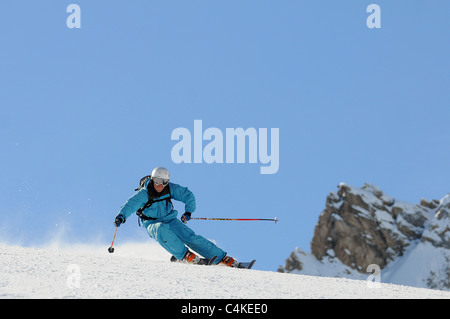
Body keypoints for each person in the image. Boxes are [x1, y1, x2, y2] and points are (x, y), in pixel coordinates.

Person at [114, 166, 238, 267]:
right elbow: (129, 205)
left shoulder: (169, 189)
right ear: (152, 180)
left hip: (170, 219)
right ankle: (185, 256)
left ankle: (222, 258)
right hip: (152, 223)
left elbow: (188, 195)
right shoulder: (144, 194)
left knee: (190, 237)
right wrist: (121, 216)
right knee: (161, 229)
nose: (160, 185)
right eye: (157, 181)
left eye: (164, 182)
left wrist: (188, 212)